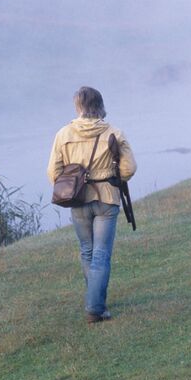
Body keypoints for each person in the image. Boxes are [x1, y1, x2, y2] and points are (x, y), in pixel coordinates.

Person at [47, 86, 137, 323]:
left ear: (78, 107)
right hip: (107, 198)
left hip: (78, 200)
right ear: (100, 106)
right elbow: (129, 169)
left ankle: (95, 301)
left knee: (87, 251)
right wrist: (114, 176)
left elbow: (52, 173)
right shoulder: (114, 133)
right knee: (100, 254)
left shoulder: (63, 134)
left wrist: (72, 183)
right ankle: (95, 307)